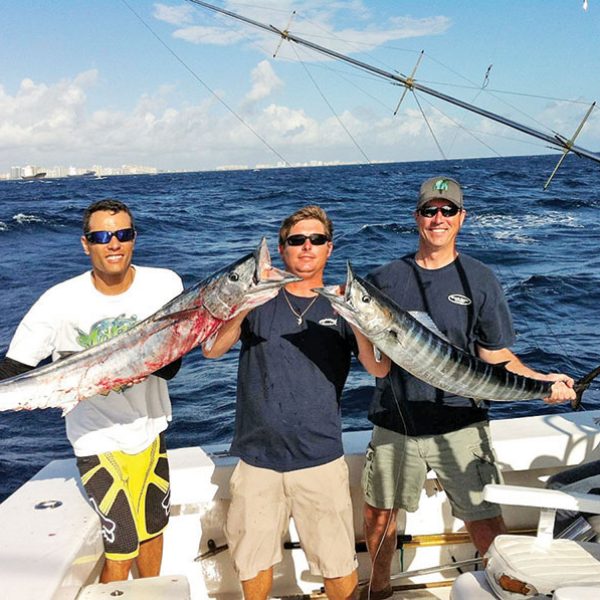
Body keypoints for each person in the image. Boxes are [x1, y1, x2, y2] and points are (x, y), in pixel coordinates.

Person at [360, 176, 577, 599]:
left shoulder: (479, 279)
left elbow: (496, 357)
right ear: (416, 217)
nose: (437, 218)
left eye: (447, 210)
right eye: (429, 210)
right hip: (395, 420)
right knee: (379, 515)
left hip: (462, 422)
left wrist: (544, 382)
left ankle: (507, 590)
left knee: (482, 518)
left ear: (462, 217)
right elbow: (376, 360)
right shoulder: (383, 279)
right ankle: (380, 588)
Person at [203, 205, 389, 600]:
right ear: (284, 249)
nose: (307, 247)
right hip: (257, 460)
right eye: (296, 240)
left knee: (338, 565)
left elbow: (378, 369)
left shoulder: (340, 306)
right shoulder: (260, 301)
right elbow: (212, 350)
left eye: (316, 240)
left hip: (319, 457)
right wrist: (242, 307)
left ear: (330, 248)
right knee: (253, 562)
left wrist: (358, 321)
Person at [0, 199, 183, 583]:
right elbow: (15, 369)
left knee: (153, 530)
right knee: (122, 546)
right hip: (95, 440)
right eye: (102, 236)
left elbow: (171, 368)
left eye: (123, 234)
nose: (113, 243)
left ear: (133, 239)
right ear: (86, 244)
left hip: (150, 431)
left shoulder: (165, 283)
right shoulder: (57, 300)